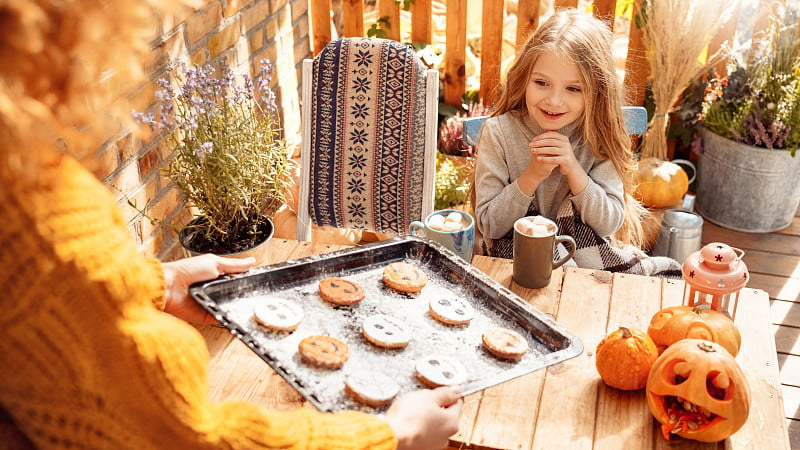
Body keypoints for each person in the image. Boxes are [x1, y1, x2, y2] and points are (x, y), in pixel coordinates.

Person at [0, 1, 461, 449]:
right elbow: (188, 438)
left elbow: (43, 301)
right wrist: (391, 436)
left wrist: (153, 281)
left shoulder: (25, 192)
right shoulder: (33, 215)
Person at [473, 9, 680, 277]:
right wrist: (532, 175)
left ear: (596, 91)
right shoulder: (499, 133)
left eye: (573, 88)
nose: (554, 101)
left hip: (585, 260)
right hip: (513, 257)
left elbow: (608, 224)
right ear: (524, 78)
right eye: (541, 83)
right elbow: (490, 225)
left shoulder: (597, 135)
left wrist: (573, 170)